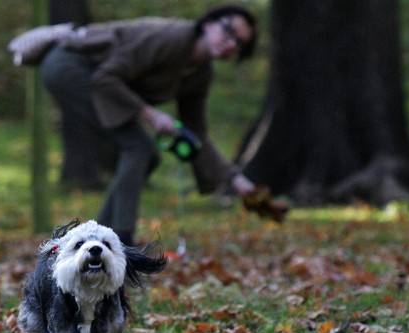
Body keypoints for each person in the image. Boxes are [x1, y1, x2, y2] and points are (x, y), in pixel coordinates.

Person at [40, 5, 260, 246]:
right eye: (228, 31)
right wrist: (151, 115)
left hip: (93, 78)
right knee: (138, 147)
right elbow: (107, 76)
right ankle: (119, 238)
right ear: (208, 23)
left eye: (239, 43)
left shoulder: (200, 74)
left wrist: (238, 182)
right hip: (69, 66)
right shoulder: (173, 39)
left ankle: (98, 236)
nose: (231, 43)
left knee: (145, 154)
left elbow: (196, 133)